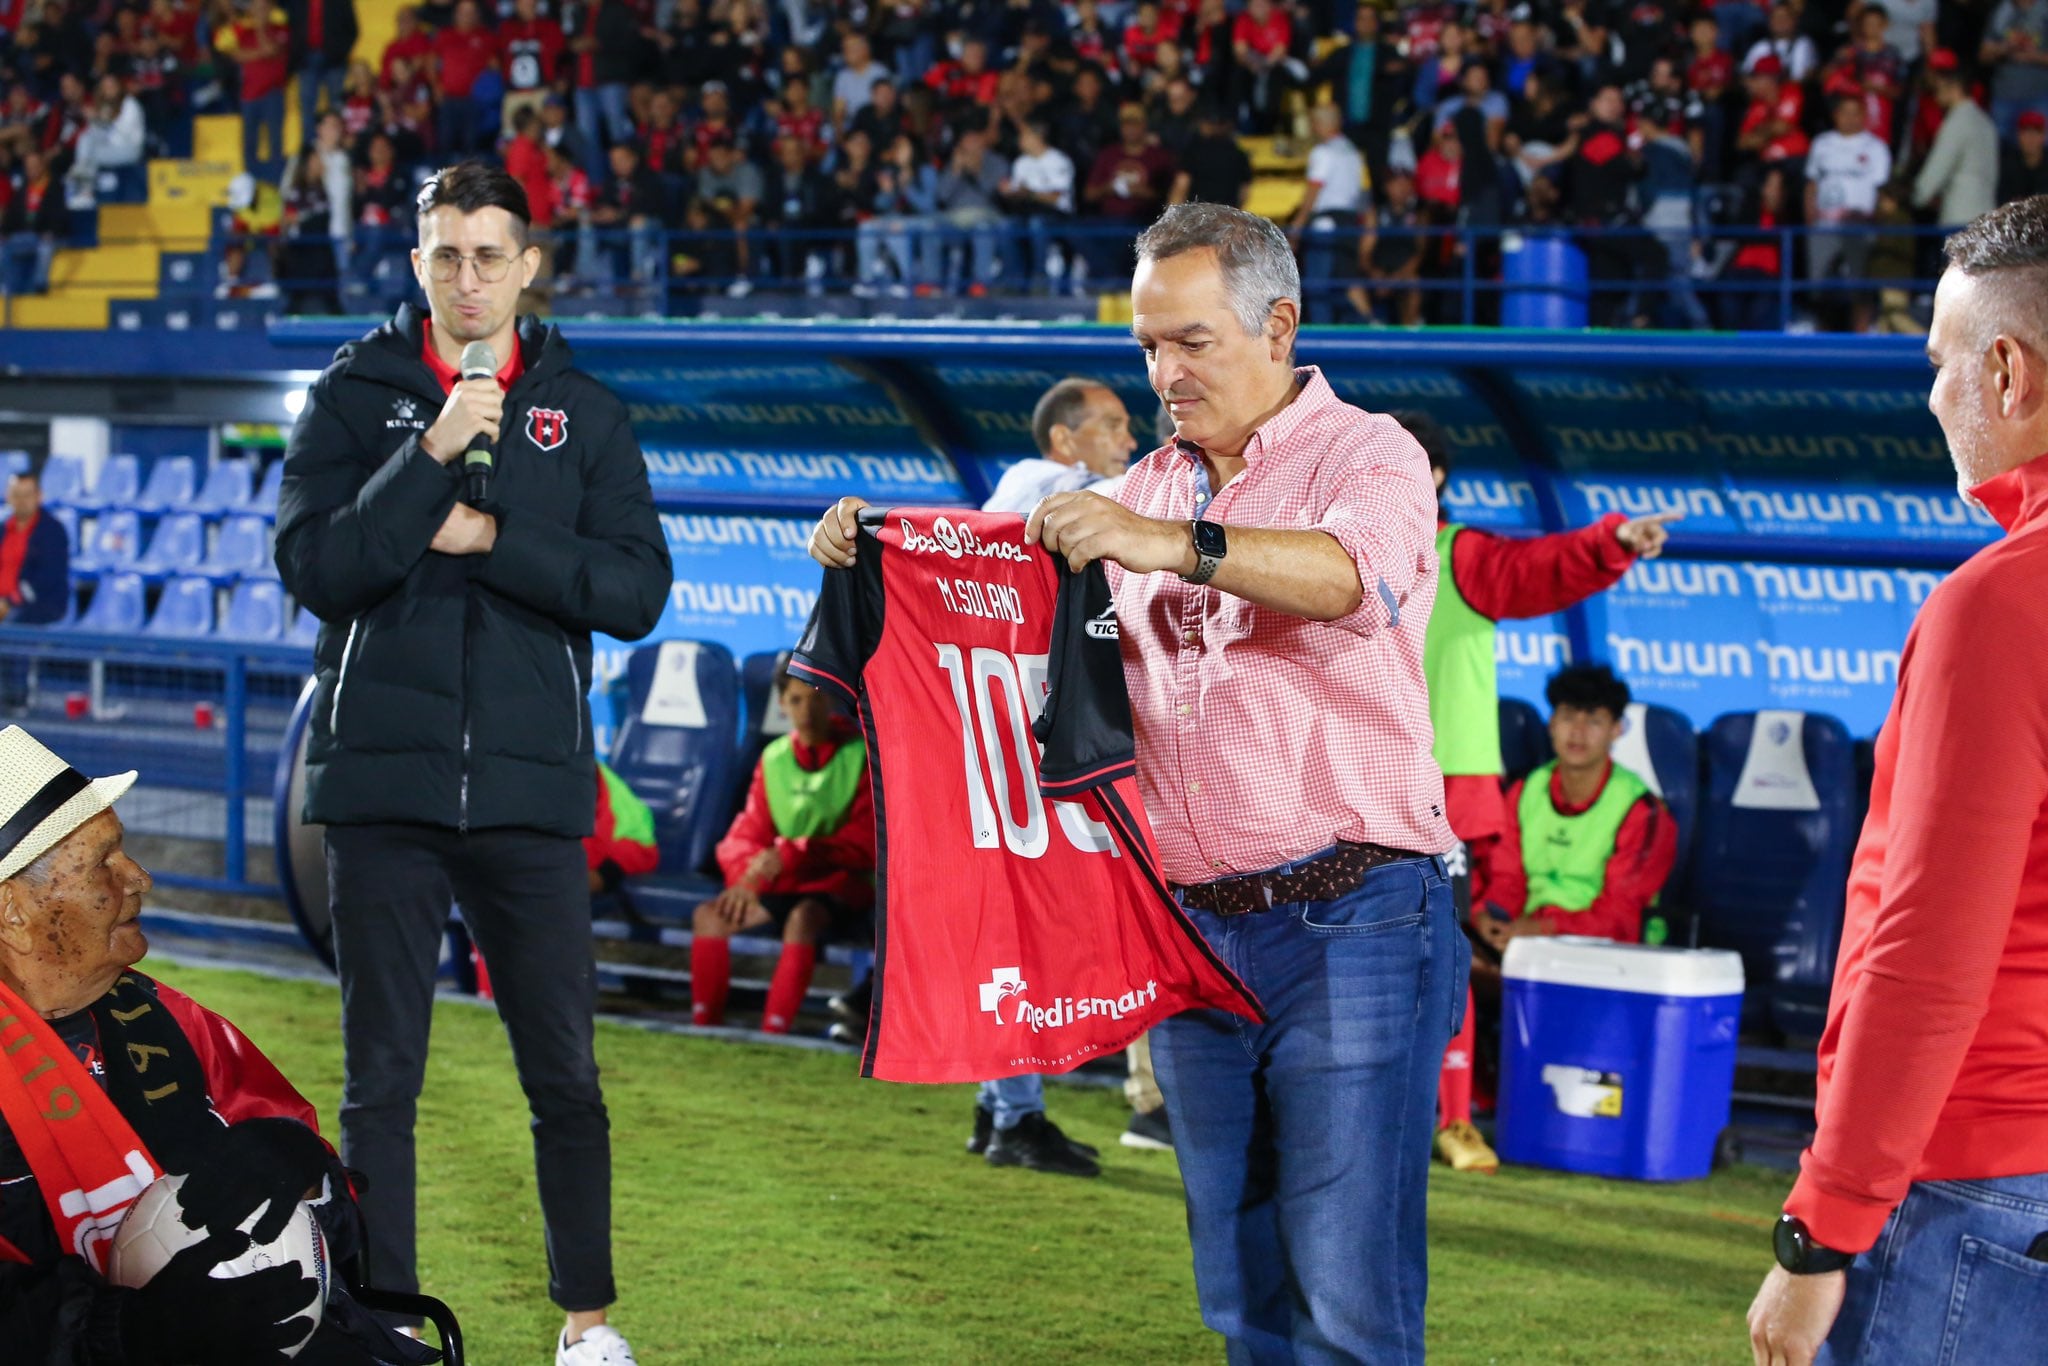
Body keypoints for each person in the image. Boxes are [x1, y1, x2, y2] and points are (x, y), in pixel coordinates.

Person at [809, 202, 1463, 1360]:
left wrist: (1175, 544)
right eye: (1148, 346)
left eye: (1190, 342)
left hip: (1355, 913)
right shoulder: (1144, 485)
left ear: (1277, 326)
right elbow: (997, 593)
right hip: (1189, 932)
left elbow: (1349, 581)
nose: (1164, 374)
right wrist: (874, 548)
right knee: (1240, 1288)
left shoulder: (1369, 454)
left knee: (1345, 1294)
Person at [274, 161, 670, 1366]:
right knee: (379, 1084)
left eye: (489, 255)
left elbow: (635, 591)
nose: (467, 278)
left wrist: (491, 535)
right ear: (417, 263)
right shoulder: (353, 395)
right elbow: (315, 569)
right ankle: (387, 1324)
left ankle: (586, 1326)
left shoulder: (584, 411)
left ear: (527, 266)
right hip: (380, 790)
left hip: (530, 791)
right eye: (445, 255)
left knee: (565, 1078)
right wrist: (430, 455)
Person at [1746, 194, 2048, 1366]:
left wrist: (1820, 1227)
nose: (1929, 397)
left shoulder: (1999, 604)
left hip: (1974, 1185)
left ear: (2006, 372)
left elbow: (1926, 956)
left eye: (1937, 362)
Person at [0, 725, 431, 1365]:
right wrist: (126, 1332)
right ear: (12, 911)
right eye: (104, 863)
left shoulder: (171, 1022)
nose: (139, 877)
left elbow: (336, 1231)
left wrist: (309, 1176)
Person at [1397, 410, 1674, 1174]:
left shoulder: (1461, 555)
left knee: (1441, 958)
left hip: (1437, 794)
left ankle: (1454, 1119)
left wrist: (1612, 541)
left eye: (1403, 462)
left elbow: (1540, 568)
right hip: (1343, 786)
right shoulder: (1334, 553)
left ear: (1437, 478)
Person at [954, 375, 1140, 1178]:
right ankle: (1017, 1116)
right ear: (1065, 440)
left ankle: (998, 1106)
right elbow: (1113, 498)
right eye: (1113, 425)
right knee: (1025, 933)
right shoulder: (1041, 487)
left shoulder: (1030, 496)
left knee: (1020, 929)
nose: (1129, 441)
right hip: (1027, 753)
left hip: (1017, 746)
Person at [692, 664, 874, 1035]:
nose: (807, 711)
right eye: (796, 700)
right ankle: (704, 1031)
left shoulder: (862, 754)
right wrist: (747, 878)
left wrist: (793, 853)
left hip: (841, 882)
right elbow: (747, 833)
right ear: (781, 704)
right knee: (710, 915)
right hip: (784, 880)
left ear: (832, 700)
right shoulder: (773, 757)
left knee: (802, 919)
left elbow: (865, 844)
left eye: (815, 698)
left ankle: (774, 1034)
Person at [1479, 665, 1677, 949]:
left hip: (1613, 951)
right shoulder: (1525, 790)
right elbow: (1507, 879)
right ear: (1551, 724)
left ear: (1616, 730)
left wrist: (1545, 929)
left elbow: (1622, 914)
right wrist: (1490, 919)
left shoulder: (1642, 809)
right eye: (1568, 717)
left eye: (1594, 721)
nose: (1578, 732)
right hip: (1531, 942)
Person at [983, 377, 1137, 516]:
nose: (1131, 443)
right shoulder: (1050, 486)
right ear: (1062, 439)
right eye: (1113, 426)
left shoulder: (1009, 496)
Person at [1914, 67, 1999, 229]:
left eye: (1939, 88)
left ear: (1954, 89)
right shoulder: (1986, 122)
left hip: (1959, 217)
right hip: (1987, 216)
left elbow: (1937, 168)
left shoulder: (1957, 122)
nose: (1935, 95)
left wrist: (1916, 197)